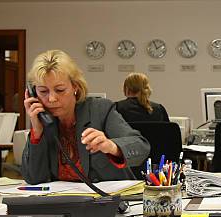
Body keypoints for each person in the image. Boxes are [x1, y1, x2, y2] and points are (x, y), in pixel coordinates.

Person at [22, 50, 150, 184]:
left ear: (75, 87)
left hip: (108, 200)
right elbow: (33, 178)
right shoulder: (44, 122)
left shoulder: (100, 110)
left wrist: (112, 146)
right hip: (63, 201)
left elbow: (141, 147)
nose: (51, 98)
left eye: (60, 90)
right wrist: (37, 131)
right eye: (43, 91)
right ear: (33, 93)